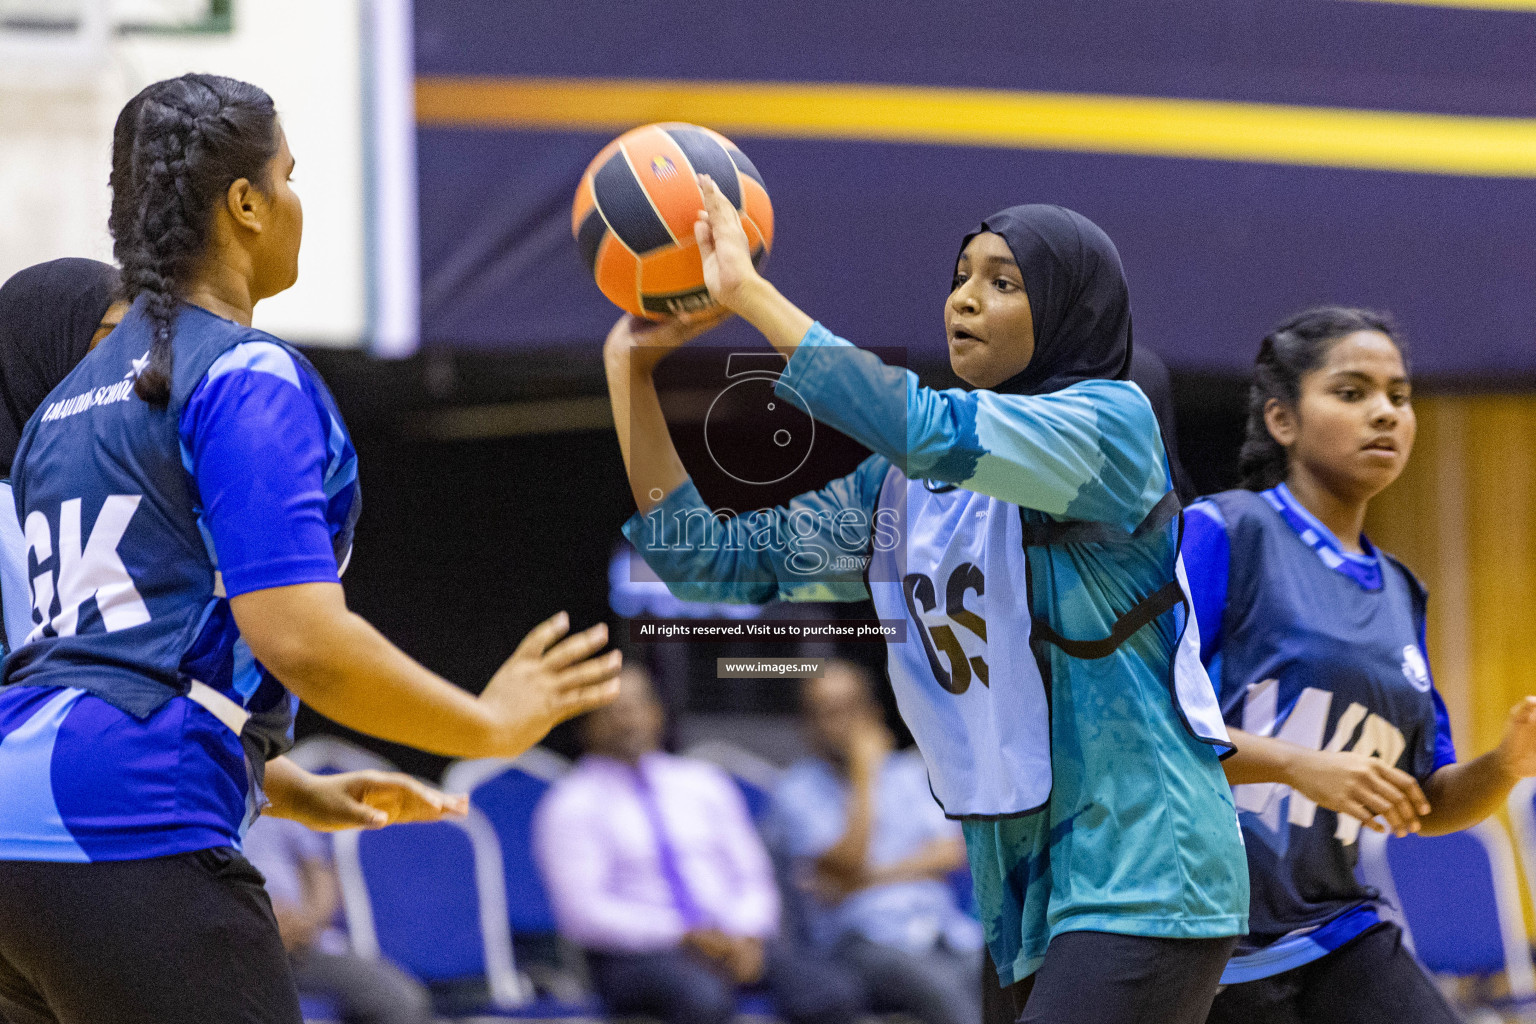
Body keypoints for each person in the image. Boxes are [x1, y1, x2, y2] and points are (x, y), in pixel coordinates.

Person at [0, 74, 621, 1024]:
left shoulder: (60, 410)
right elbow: (304, 641)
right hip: (129, 823)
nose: (296, 202)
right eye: (287, 178)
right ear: (245, 204)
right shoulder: (245, 374)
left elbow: (107, 660)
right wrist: (488, 725)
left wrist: (282, 784)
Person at [603, 178, 1248, 1024]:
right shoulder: (905, 495)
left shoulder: (1111, 428)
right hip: (1018, 889)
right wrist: (630, 373)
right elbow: (703, 561)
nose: (966, 300)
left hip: (1146, 866)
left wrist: (751, 296)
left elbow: (928, 427)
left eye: (1003, 282)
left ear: (1068, 311)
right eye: (960, 277)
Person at [1181, 307, 1536, 1023]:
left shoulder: (1401, 590)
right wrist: (1291, 763)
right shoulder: (1226, 531)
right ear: (1283, 421)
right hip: (1204, 934)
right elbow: (1141, 725)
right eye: (1352, 393)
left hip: (1334, 927)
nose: (1385, 413)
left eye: (1399, 397)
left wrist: (1504, 763)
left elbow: (1425, 801)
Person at [534, 664, 864, 1024]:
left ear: (657, 712)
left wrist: (744, 936)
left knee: (833, 991)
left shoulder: (703, 783)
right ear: (587, 721)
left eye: (637, 705)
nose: (627, 720)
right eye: (612, 709)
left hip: (732, 940)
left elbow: (752, 874)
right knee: (703, 999)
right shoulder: (570, 802)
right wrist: (684, 935)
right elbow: (583, 913)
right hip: (636, 955)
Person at [767, 660, 983, 1024]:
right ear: (807, 724)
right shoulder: (795, 789)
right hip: (858, 941)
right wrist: (864, 776)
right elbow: (845, 864)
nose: (840, 723)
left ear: (873, 712)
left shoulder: (909, 773)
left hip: (943, 928)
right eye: (826, 713)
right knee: (944, 991)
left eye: (849, 708)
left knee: (1012, 971)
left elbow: (952, 853)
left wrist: (865, 879)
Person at [242, 814, 433, 1024]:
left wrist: (306, 922)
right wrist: (257, 922)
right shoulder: (202, 813)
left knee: (402, 999)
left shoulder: (276, 803)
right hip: (229, 949)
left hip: (302, 944)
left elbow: (321, 873)